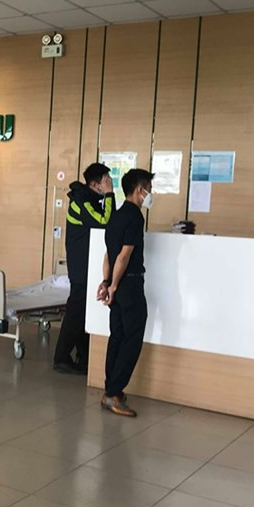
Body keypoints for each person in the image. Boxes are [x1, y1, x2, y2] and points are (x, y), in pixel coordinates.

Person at [96, 169, 154, 417]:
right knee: (132, 339)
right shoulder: (134, 217)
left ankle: (111, 390)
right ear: (139, 190)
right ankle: (113, 393)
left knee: (117, 336)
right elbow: (124, 255)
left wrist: (106, 282)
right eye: (148, 188)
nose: (150, 194)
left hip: (118, 285)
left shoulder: (116, 216)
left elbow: (108, 254)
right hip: (129, 285)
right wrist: (115, 285)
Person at [53, 163, 114, 374]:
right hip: (81, 267)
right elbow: (104, 221)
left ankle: (84, 357)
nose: (110, 182)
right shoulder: (82, 200)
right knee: (75, 313)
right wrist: (110, 195)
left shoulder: (91, 198)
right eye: (106, 179)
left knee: (82, 313)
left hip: (87, 265)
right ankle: (61, 358)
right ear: (95, 184)